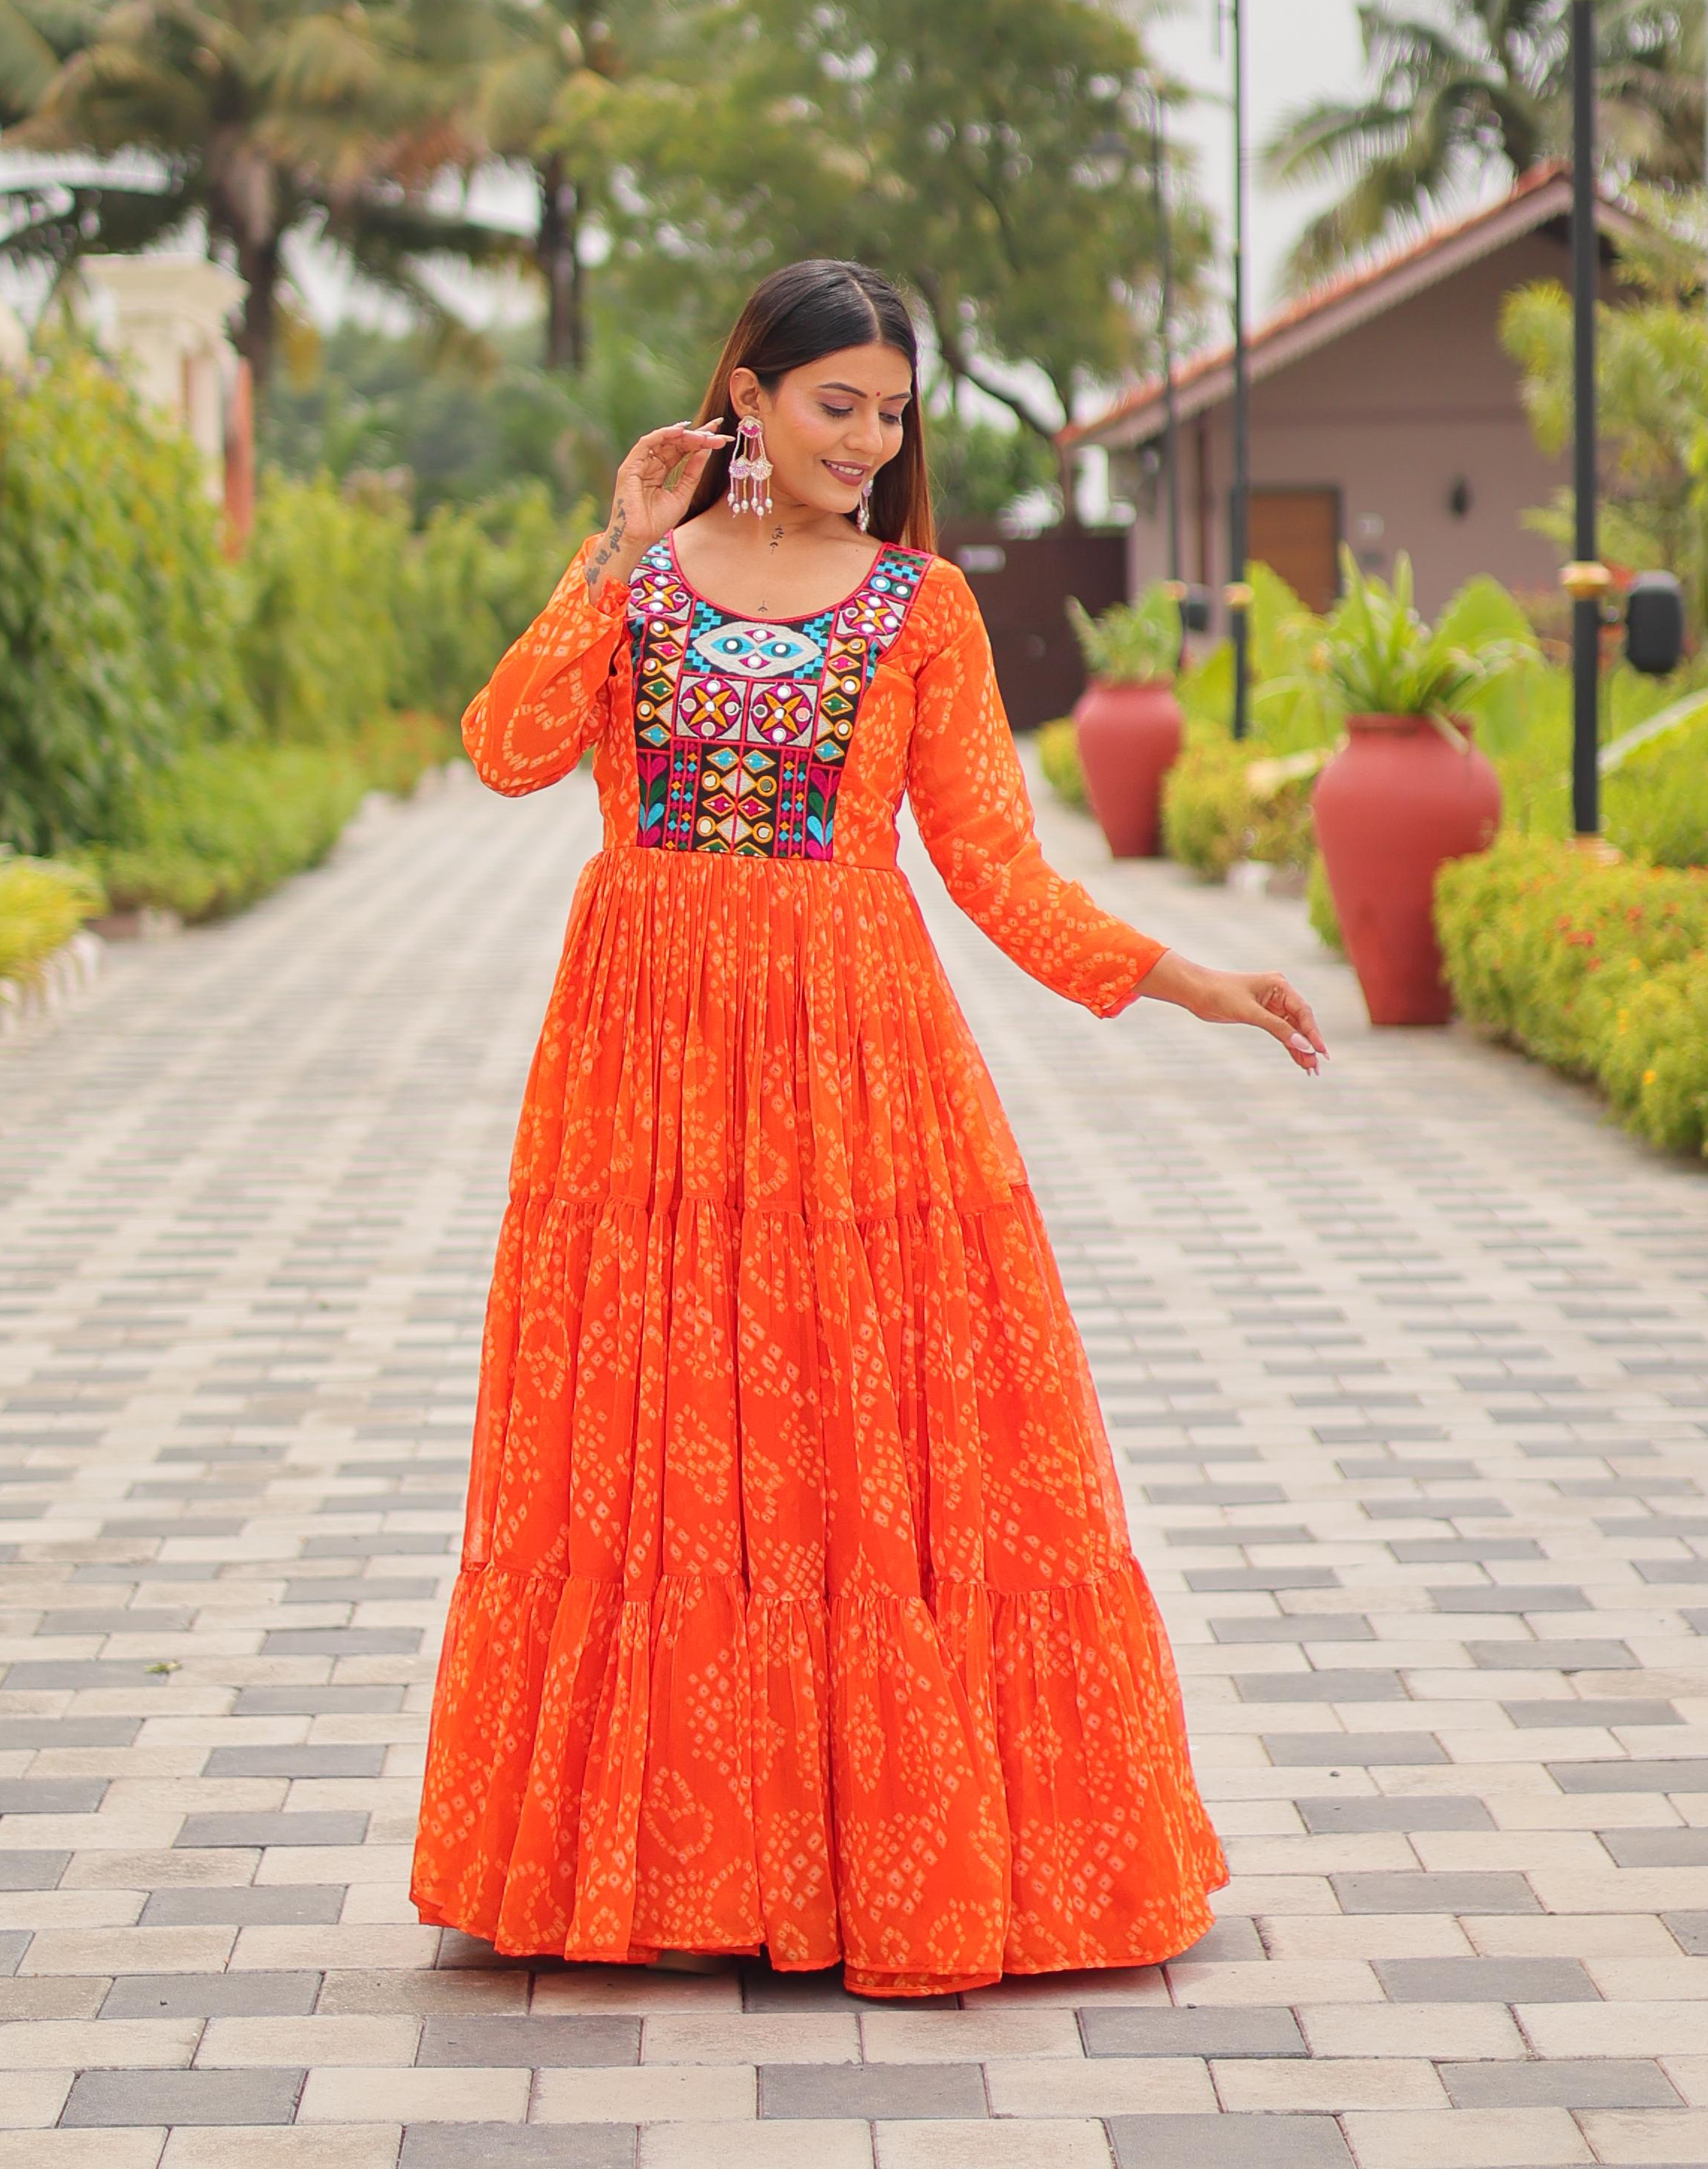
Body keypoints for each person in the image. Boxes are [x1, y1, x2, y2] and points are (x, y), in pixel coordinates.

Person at [412, 257, 1326, 1999]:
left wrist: (1188, 983)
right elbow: (508, 752)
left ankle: (858, 1870)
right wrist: (613, 546)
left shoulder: (922, 609)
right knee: (668, 1451)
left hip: (854, 1088)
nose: (869, 442)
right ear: (746, 395)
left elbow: (997, 872)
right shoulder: (639, 584)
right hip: (644, 1087)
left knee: (845, 1461)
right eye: (838, 404)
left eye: (894, 415)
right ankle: (683, 1874)